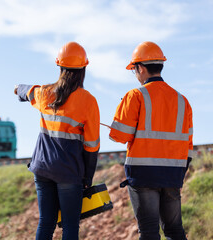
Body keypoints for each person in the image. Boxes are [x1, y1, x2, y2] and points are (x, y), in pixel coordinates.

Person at [14, 42, 100, 240]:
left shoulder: (45, 93)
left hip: (42, 169)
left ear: (60, 67)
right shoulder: (88, 101)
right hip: (69, 173)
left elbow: (27, 91)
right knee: (70, 226)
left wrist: (17, 89)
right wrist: (87, 177)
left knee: (46, 222)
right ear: (83, 69)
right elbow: (92, 144)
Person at [109, 41, 193, 240]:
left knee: (148, 232)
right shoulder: (182, 100)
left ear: (140, 67)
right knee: (174, 230)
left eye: (134, 70)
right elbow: (188, 145)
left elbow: (118, 136)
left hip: (143, 173)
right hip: (172, 174)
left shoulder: (135, 96)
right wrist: (178, 173)